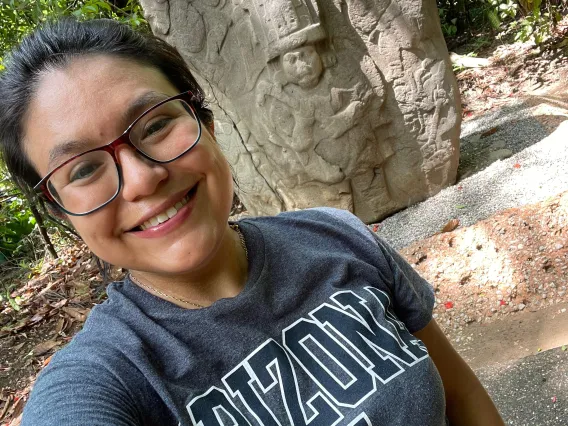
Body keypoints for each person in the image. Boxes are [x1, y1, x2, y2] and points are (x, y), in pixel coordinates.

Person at [0, 18, 504, 426]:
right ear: (60, 210)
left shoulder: (337, 237)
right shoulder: (108, 378)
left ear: (207, 124)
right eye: (83, 168)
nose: (141, 179)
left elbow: (462, 398)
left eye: (156, 125)